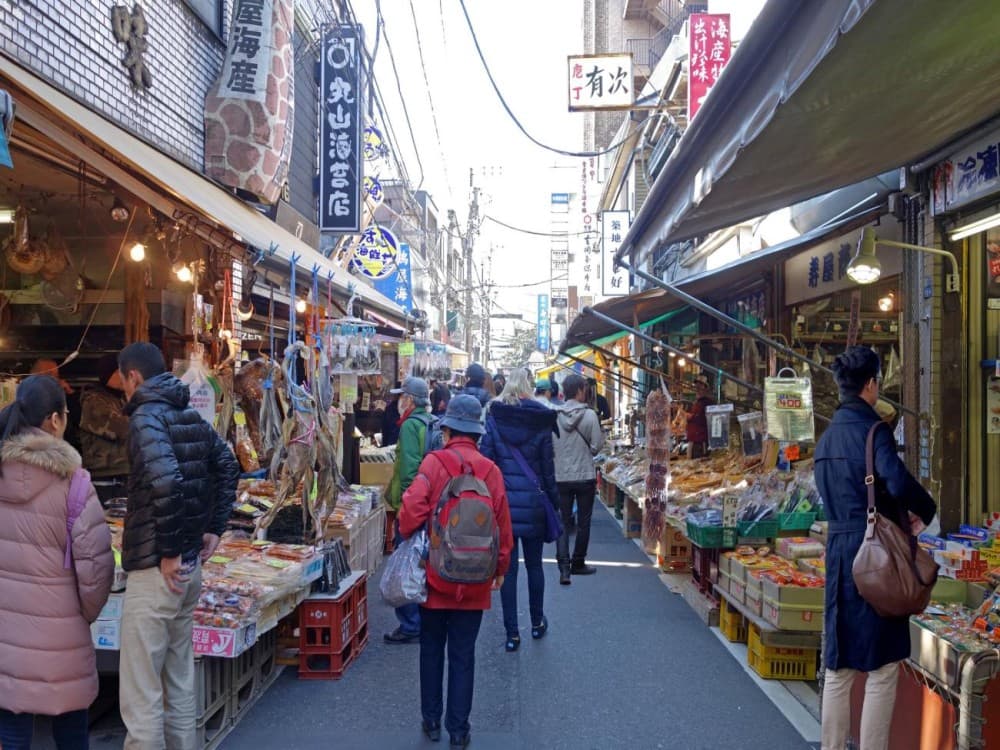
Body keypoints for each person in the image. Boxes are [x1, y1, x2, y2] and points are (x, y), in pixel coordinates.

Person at [117, 343, 239, 750]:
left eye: (123, 381)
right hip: (187, 566)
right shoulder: (186, 412)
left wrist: (169, 550)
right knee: (179, 679)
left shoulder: (145, 417)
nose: (123, 390)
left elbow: (167, 481)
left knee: (142, 692)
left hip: (159, 569)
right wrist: (213, 527)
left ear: (134, 377)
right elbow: (227, 464)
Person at [815, 346, 937, 750]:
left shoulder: (827, 437)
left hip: (839, 552)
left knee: (839, 667)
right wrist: (925, 510)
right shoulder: (873, 432)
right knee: (883, 667)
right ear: (870, 385)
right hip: (876, 555)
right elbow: (897, 482)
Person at [0, 375, 113, 750]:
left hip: (4, 635)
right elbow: (96, 570)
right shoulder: (74, 482)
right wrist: (82, 615)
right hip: (62, 633)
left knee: (11, 729)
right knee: (70, 728)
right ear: (53, 419)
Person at [398, 394, 513, 747]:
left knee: (431, 647)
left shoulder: (434, 464)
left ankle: (431, 720)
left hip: (435, 575)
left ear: (446, 431)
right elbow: (502, 525)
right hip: (476, 578)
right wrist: (501, 568)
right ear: (477, 434)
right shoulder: (491, 471)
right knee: (463, 655)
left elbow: (411, 510)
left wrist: (408, 534)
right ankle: (459, 731)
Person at [480, 368, 559, 652]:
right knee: (535, 565)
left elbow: (486, 462)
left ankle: (512, 634)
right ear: (528, 388)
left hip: (504, 507)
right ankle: (537, 622)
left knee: (508, 570)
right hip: (534, 504)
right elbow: (548, 469)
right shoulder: (540, 420)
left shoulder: (494, 418)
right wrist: (554, 502)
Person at [384, 375, 435, 644]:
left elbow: (408, 470)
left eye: (402, 397)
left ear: (411, 400)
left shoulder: (410, 426)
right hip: (428, 503)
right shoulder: (431, 422)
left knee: (406, 561)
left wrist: (406, 505)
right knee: (421, 559)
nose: (399, 402)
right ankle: (423, 618)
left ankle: (411, 623)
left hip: (412, 504)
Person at [553, 374, 605, 584]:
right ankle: (578, 562)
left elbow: (550, 444)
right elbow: (597, 446)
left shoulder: (554, 415)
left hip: (560, 475)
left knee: (562, 522)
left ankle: (564, 568)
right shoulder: (590, 415)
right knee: (584, 522)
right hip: (585, 475)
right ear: (580, 391)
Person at [79, 353, 130, 503]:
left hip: (122, 477)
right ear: (108, 375)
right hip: (104, 481)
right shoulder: (94, 402)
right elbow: (122, 428)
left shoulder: (120, 399)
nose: (124, 376)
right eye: (119, 372)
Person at [685, 376, 714, 459]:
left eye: (700, 385)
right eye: (696, 385)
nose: (697, 388)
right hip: (693, 440)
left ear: (705, 388)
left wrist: (691, 417)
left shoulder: (708, 402)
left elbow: (706, 421)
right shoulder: (696, 402)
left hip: (701, 443)